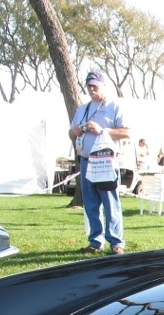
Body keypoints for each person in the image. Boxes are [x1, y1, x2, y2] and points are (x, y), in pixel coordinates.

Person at [69, 71, 129, 255]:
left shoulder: (115, 106)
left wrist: (102, 130)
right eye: (89, 85)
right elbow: (70, 133)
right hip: (86, 161)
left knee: (111, 203)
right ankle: (95, 241)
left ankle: (116, 243)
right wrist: (77, 131)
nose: (92, 88)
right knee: (91, 203)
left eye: (95, 85)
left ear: (103, 86)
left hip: (105, 162)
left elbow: (126, 132)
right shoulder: (82, 109)